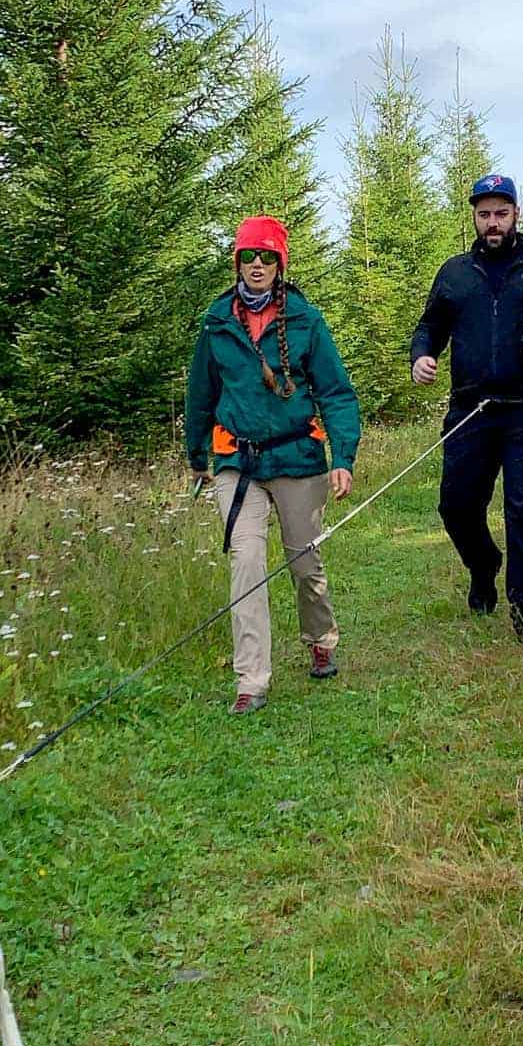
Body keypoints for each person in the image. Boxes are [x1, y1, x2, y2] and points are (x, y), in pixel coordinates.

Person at [185, 215, 362, 716]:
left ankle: (320, 636)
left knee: (304, 561)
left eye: (266, 257)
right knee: (245, 563)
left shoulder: (307, 321)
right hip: (235, 463)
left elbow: (336, 393)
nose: (257, 265)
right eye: (248, 256)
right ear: (237, 262)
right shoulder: (217, 321)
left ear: (280, 263)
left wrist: (342, 456)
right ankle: (252, 679)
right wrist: (198, 457)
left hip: (297, 457)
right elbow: (200, 394)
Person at [410, 174, 523, 643]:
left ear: (516, 214)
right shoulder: (454, 273)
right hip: (470, 409)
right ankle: (484, 564)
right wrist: (422, 355)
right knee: (456, 506)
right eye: (484, 214)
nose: (492, 223)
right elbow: (429, 325)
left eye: (501, 213)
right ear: (473, 217)